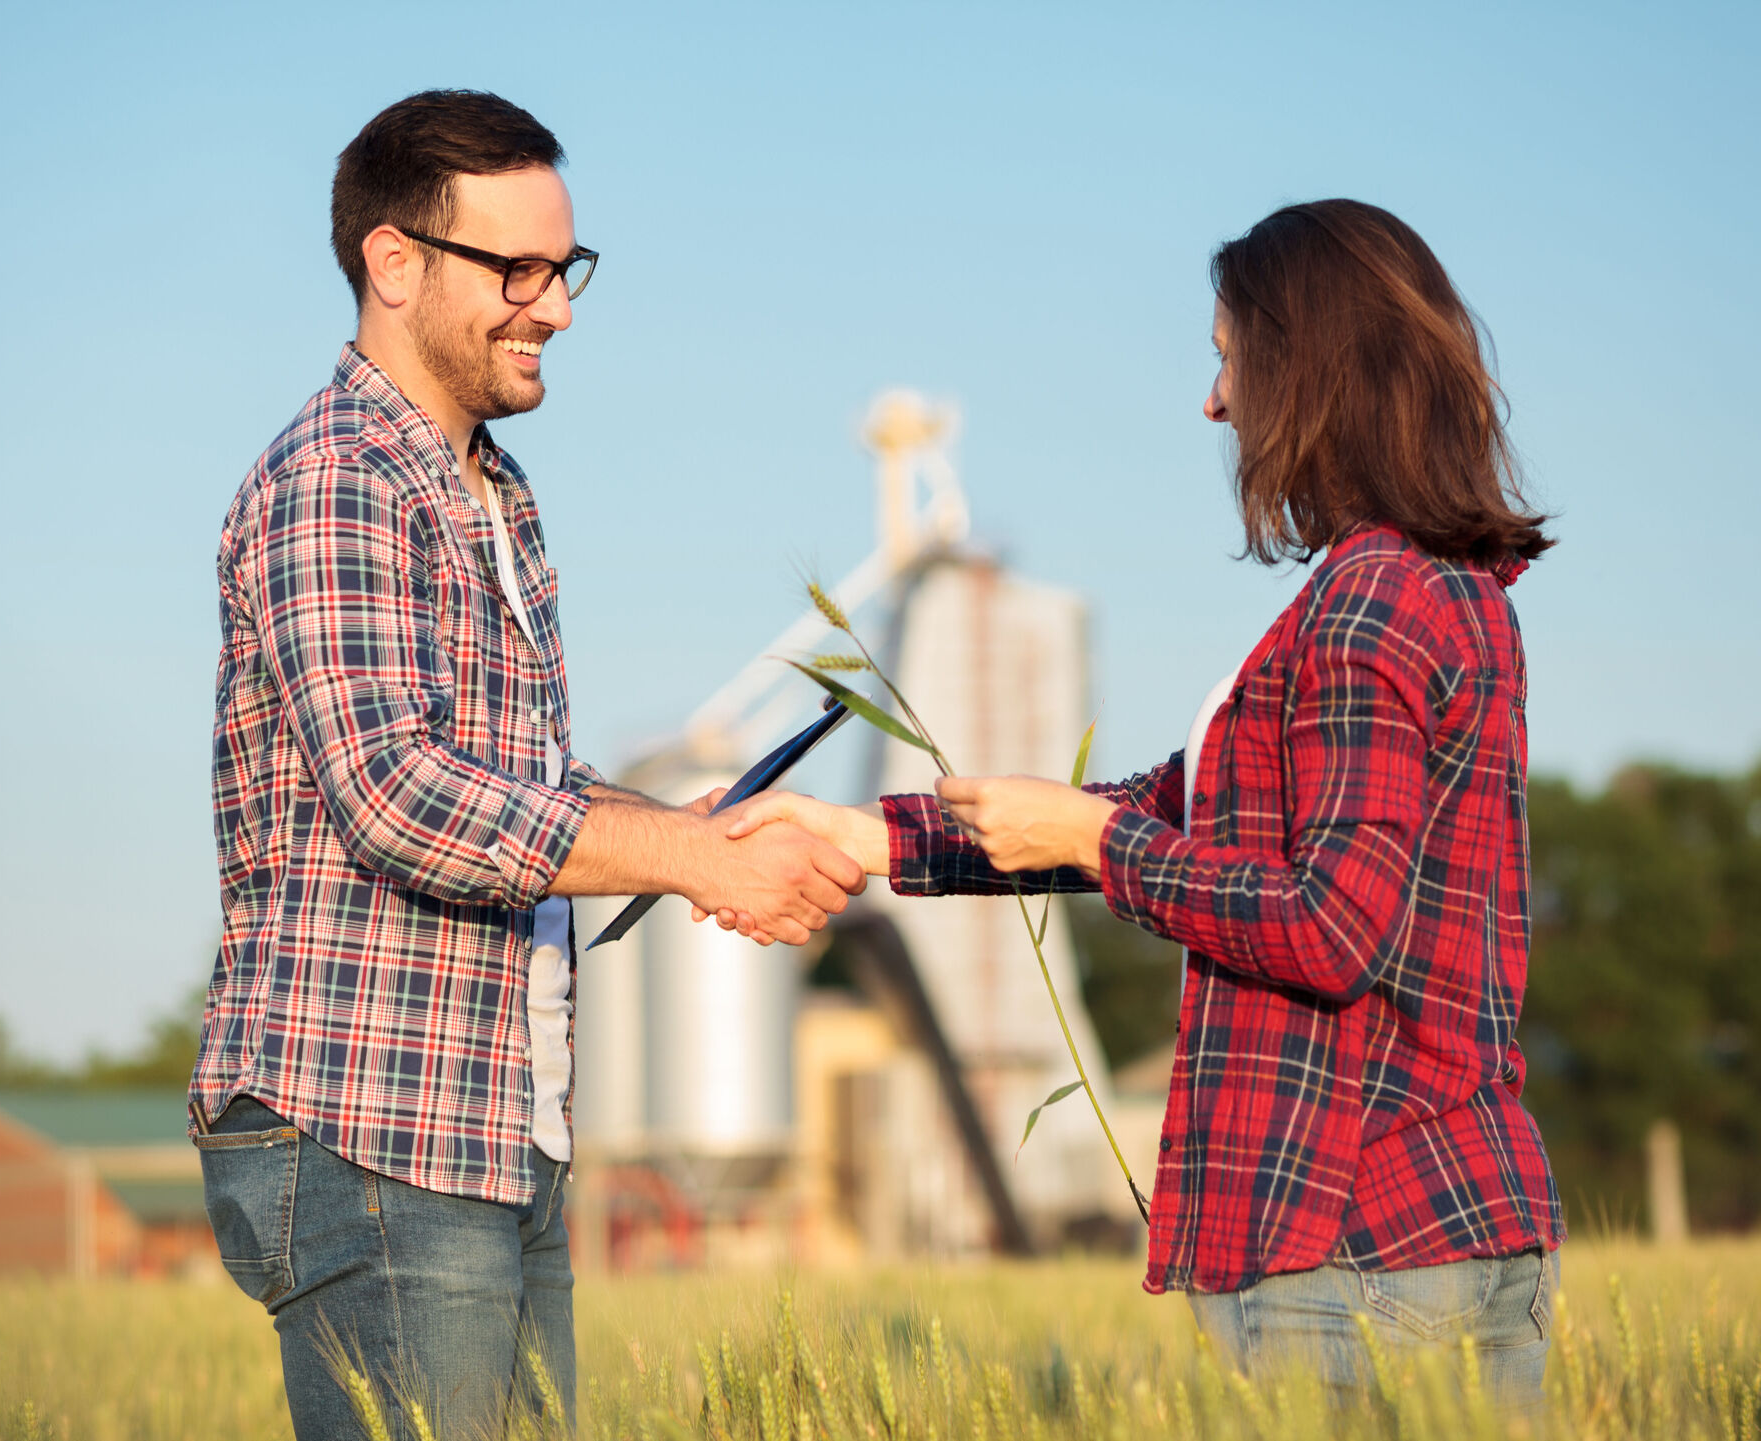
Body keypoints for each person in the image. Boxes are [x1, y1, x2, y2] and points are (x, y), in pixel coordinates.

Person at [723, 200, 1564, 1409]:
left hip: (1351, 1242)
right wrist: (870, 838)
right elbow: (1177, 801)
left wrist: (1102, 845)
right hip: (1463, 1219)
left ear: (1307, 368)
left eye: (1228, 360)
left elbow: (1335, 927)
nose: (1214, 404)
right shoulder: (1450, 592)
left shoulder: (1365, 608)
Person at [190, 90, 865, 1440]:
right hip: (374, 1117)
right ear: (395, 265)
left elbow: (519, 778)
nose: (557, 307)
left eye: (567, 270)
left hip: (499, 1116)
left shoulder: (491, 493)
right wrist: (685, 857)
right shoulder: (339, 476)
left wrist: (693, 832)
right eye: (519, 271)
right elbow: (401, 796)